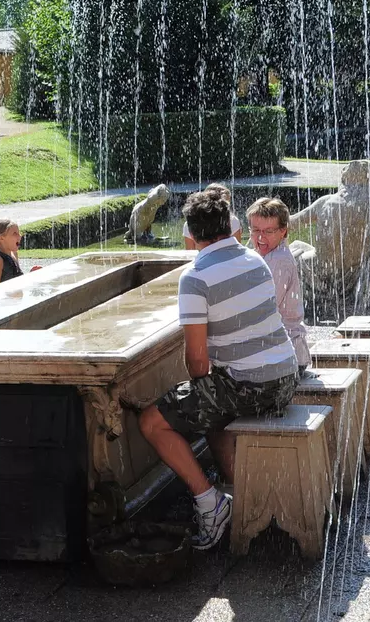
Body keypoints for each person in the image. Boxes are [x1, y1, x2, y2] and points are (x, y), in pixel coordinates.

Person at [138, 189, 301, 550]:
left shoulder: (195, 278)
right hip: (286, 377)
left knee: (151, 421)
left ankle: (209, 504)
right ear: (230, 224)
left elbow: (197, 363)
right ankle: (234, 486)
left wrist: (196, 392)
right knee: (209, 402)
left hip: (253, 388)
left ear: (192, 234)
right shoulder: (254, 259)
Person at [246, 197, 312, 371]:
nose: (260, 237)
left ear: (283, 231)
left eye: (268, 231)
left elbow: (265, 309)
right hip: (280, 352)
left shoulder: (278, 261)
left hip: (287, 358)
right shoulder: (266, 253)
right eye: (255, 230)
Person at [183, 182, 242, 249]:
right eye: (224, 205)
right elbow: (190, 252)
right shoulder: (190, 224)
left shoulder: (233, 221)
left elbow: (237, 249)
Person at [0, 218, 37, 287]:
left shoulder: (13, 254)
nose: (20, 236)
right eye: (15, 233)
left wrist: (31, 275)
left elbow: (17, 283)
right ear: (1, 238)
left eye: (19, 233)